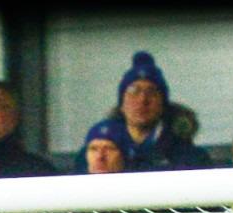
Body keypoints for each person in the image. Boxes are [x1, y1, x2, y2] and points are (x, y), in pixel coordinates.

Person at [74, 52, 210, 173]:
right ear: (121, 104)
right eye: (134, 92)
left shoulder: (188, 156)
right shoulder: (96, 154)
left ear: (163, 104)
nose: (142, 100)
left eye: (151, 92)